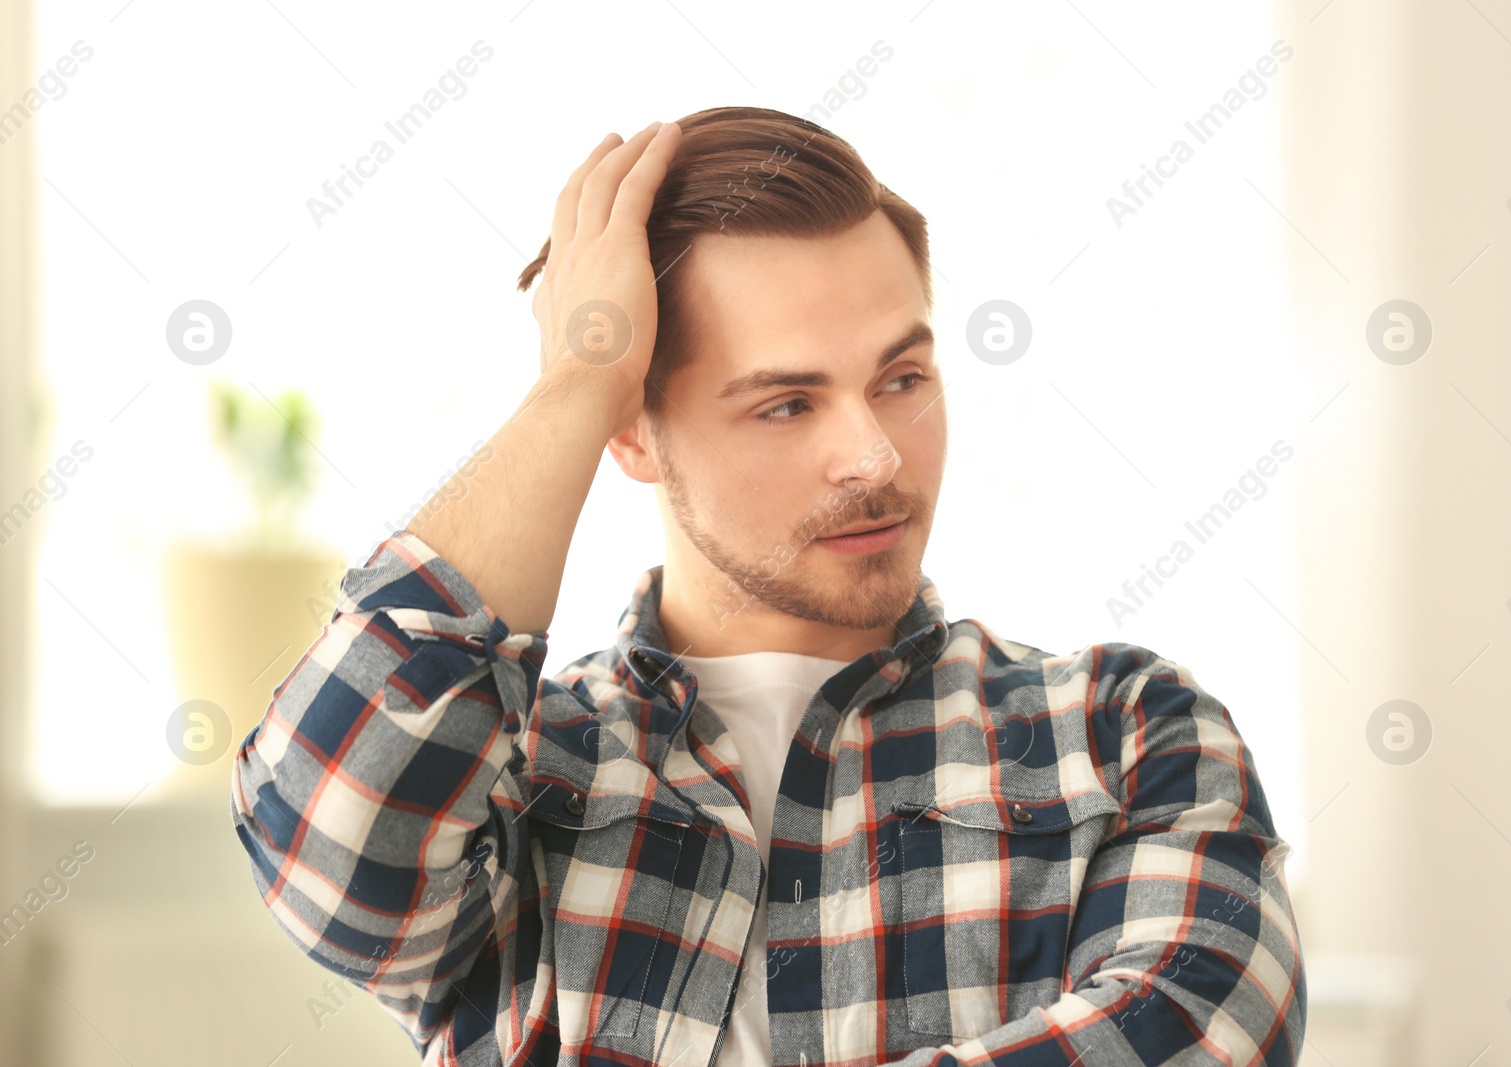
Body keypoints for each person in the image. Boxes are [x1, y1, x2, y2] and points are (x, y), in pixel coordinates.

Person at [231, 106, 1307, 1067]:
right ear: (634, 432)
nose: (876, 457)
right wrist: (577, 381)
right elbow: (330, 843)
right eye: (787, 403)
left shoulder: (1125, 730)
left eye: (901, 378)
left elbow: (1204, 1028)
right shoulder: (518, 779)